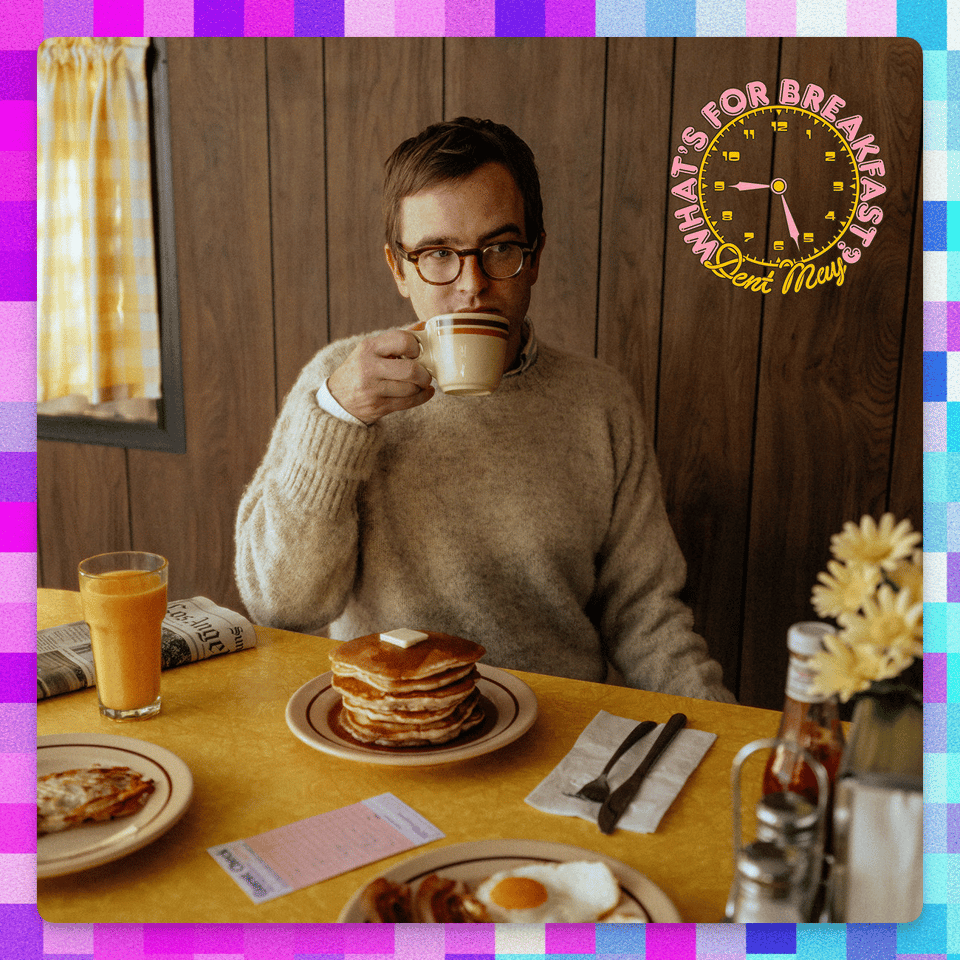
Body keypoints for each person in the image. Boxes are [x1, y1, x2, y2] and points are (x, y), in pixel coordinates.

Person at [235, 117, 735, 703]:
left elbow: (646, 614)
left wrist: (723, 731)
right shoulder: (340, 384)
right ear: (399, 269)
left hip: (558, 724)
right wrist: (339, 419)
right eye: (438, 253)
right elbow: (282, 606)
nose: (471, 284)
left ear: (535, 256)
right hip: (394, 721)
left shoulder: (599, 401)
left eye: (499, 249)